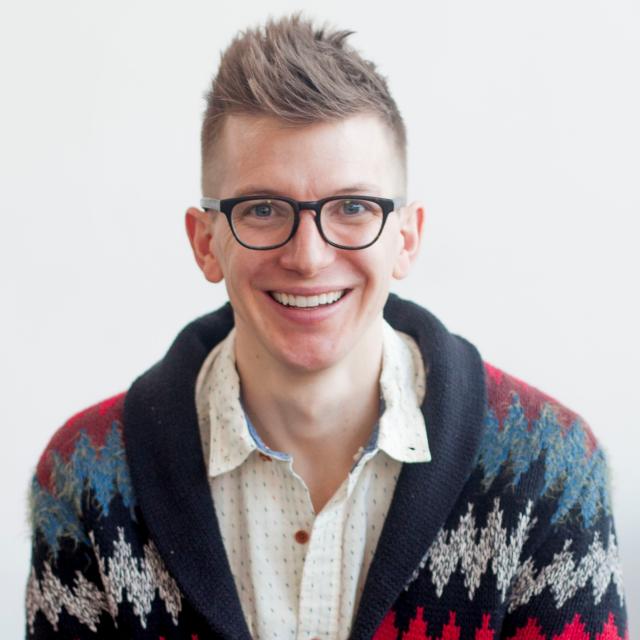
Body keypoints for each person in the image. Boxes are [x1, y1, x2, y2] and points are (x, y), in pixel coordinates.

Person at [25, 13, 628, 640]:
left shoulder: (546, 471)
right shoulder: (89, 479)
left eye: (352, 207)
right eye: (262, 209)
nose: (309, 257)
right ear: (206, 243)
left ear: (407, 237)